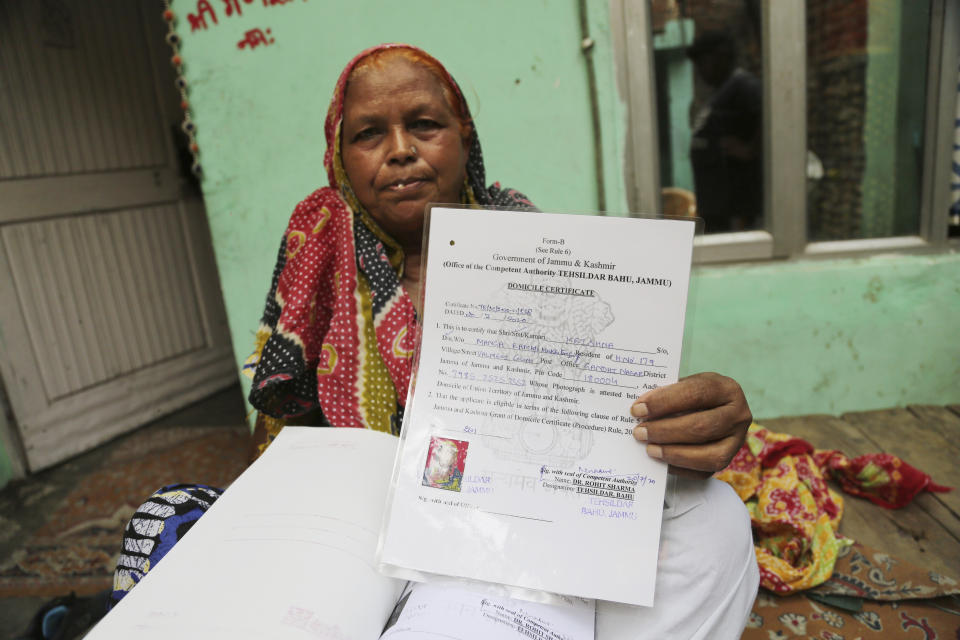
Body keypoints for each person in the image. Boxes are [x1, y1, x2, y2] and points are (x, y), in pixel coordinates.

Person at [112, 44, 758, 638]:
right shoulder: (324, 252)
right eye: (369, 134)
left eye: (424, 125)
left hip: (502, 517)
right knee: (165, 520)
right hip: (370, 528)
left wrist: (686, 426)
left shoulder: (535, 245)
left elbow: (597, 424)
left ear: (462, 135)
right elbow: (288, 442)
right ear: (342, 157)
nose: (400, 150)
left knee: (715, 520)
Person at [687, 30, 763, 232]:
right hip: (715, 204)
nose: (700, 70)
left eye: (703, 62)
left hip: (734, 207)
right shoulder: (721, 90)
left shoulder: (744, 86)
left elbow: (769, 116)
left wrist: (750, 149)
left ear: (721, 58)